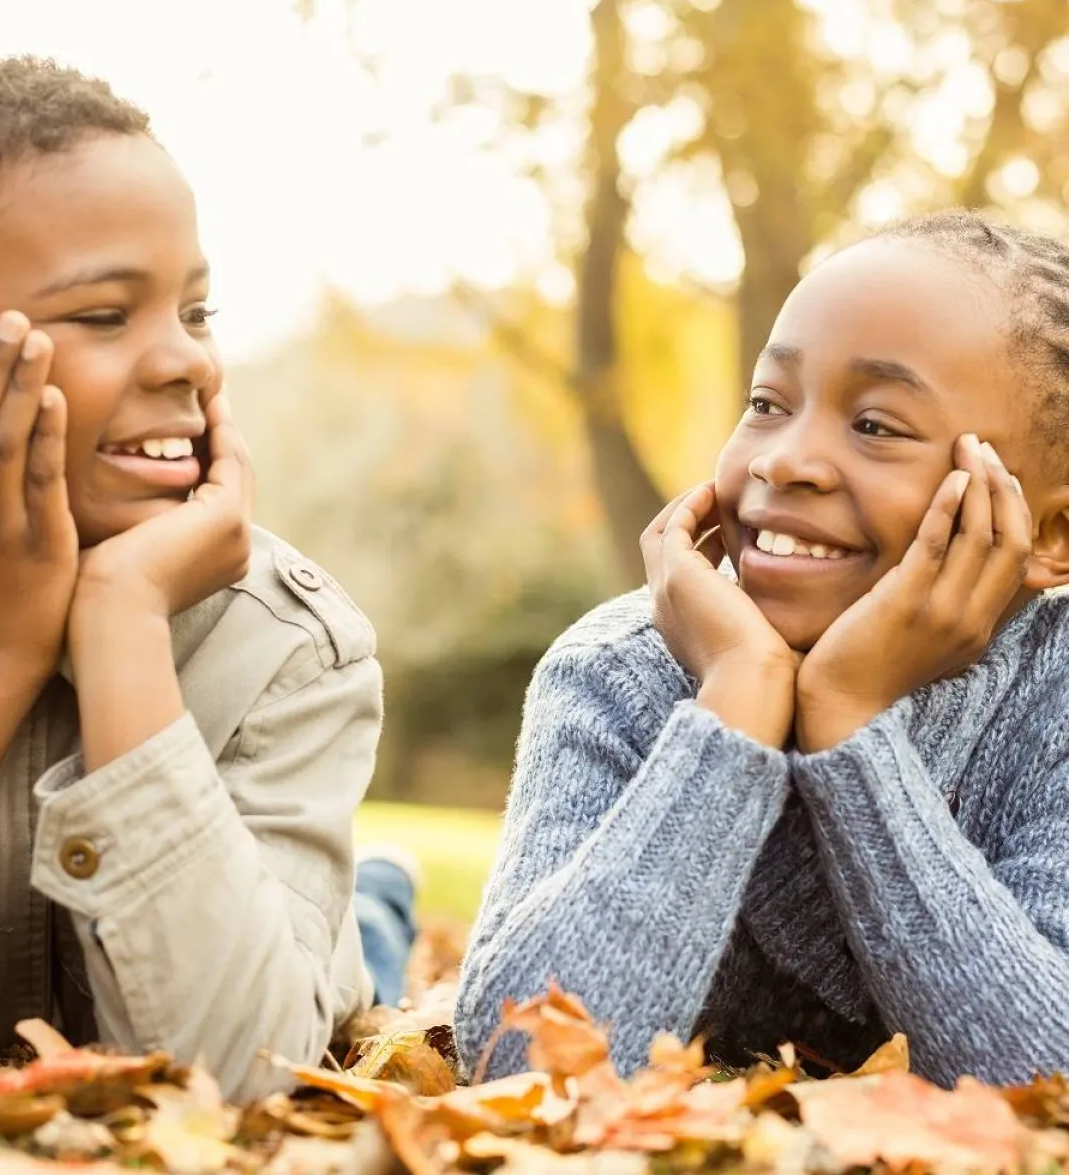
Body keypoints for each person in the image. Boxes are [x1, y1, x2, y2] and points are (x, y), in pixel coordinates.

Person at [0, 52, 414, 1100]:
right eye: (107, 315)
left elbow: (241, 1074)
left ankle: (368, 914)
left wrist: (120, 620)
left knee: (343, 973)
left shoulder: (284, 645)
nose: (189, 363)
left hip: (283, 965)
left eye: (196, 313)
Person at [455, 211, 1069, 1089]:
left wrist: (849, 722)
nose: (786, 460)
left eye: (878, 426)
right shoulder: (616, 674)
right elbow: (522, 1063)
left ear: (1050, 532)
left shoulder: (1055, 694)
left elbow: (1044, 1078)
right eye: (767, 404)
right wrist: (736, 702)